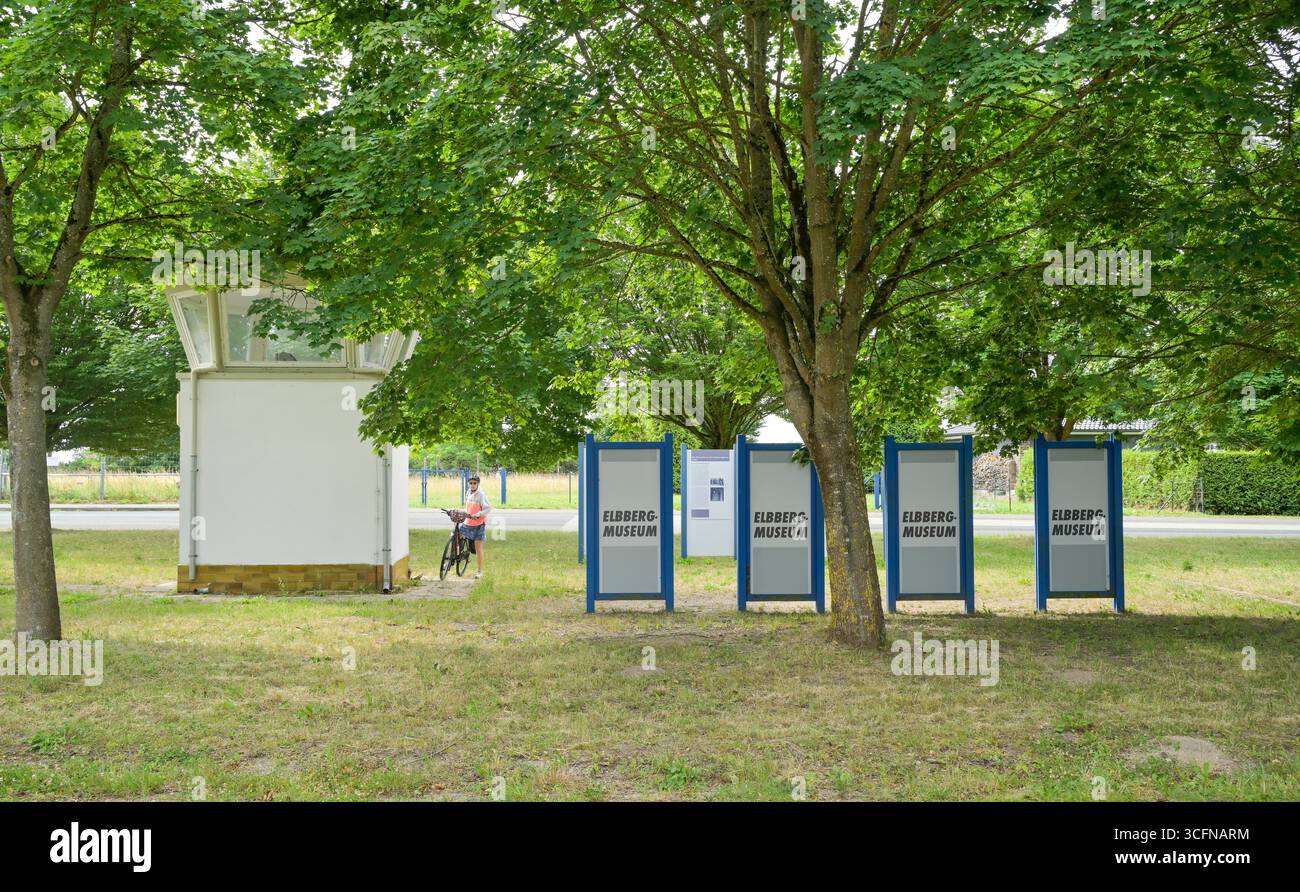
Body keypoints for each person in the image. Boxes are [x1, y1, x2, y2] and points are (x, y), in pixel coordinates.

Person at [461, 473, 490, 578]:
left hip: (479, 524)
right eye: (470, 483)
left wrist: (478, 514)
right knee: (456, 536)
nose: (472, 485)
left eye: (474, 483)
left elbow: (487, 508)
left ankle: (479, 571)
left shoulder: (481, 495)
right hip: (468, 522)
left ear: (478, 484)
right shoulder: (468, 492)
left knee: (478, 547)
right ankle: (453, 558)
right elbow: (468, 507)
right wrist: (464, 513)